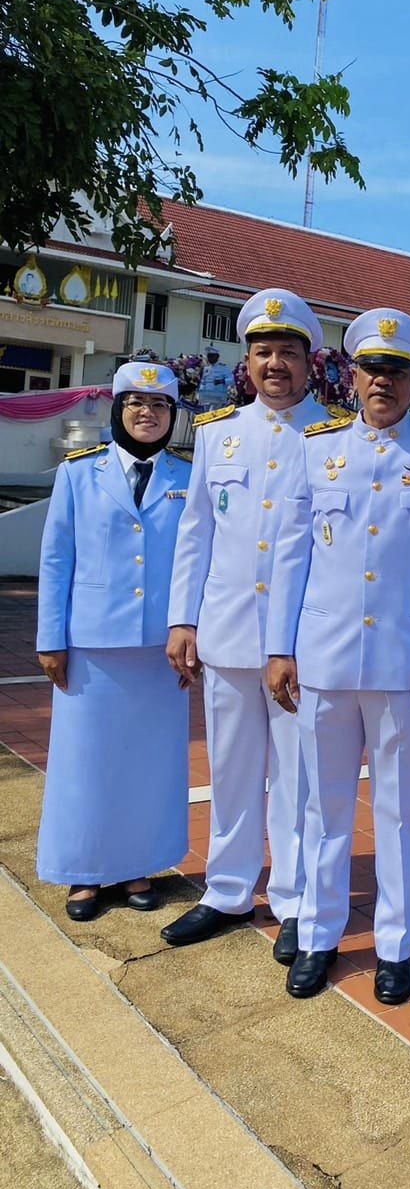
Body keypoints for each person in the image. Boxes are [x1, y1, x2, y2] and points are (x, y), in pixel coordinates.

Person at [266, 309, 410, 1001]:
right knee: (322, 807)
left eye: (398, 370)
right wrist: (278, 646)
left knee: (399, 810)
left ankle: (394, 943)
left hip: (402, 664)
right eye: (372, 368)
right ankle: (318, 935)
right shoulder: (316, 448)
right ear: (350, 375)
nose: (383, 381)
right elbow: (292, 556)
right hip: (322, 654)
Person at [163, 291, 325, 960]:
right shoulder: (216, 431)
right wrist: (182, 619)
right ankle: (226, 889)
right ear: (247, 360)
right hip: (227, 629)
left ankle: (292, 898)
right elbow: (195, 531)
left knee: (296, 775)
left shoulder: (331, 435)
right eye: (263, 351)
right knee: (230, 768)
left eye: (288, 351)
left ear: (309, 362)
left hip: (300, 642)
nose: (275, 363)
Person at [36, 363, 192, 920]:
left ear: (173, 416)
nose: (146, 413)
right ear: (117, 410)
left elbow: (199, 565)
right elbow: (56, 559)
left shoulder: (187, 478)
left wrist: (190, 632)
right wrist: (51, 637)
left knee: (149, 764)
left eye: (159, 404)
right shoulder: (79, 473)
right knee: (86, 762)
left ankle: (137, 865)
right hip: (91, 646)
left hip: (160, 651)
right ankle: (83, 871)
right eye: (134, 402)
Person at [196, 346, 234, 411]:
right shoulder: (206, 369)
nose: (209, 358)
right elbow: (203, 383)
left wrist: (221, 381)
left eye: (211, 356)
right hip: (206, 398)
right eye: (208, 356)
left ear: (217, 357)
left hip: (218, 398)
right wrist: (198, 395)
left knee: (212, 415)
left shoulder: (224, 368)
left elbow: (232, 381)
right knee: (206, 417)